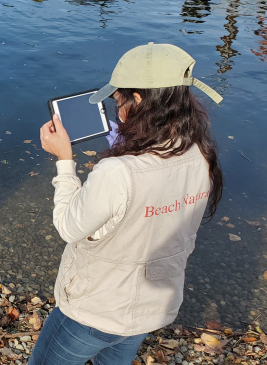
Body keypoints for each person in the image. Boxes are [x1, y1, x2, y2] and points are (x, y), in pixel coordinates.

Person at [29, 43, 224, 364]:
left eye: (117, 98)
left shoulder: (118, 172)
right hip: (151, 308)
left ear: (136, 101)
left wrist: (64, 160)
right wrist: (130, 143)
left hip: (94, 311)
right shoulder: (200, 153)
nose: (115, 106)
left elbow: (68, 226)